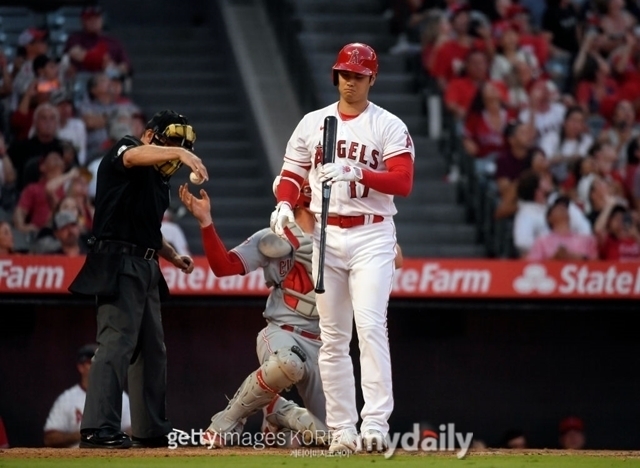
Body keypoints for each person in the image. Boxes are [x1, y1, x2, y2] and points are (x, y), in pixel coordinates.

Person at [270, 42, 414, 454]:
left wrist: (359, 171)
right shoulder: (313, 123)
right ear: (336, 76)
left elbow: (403, 181)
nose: (350, 81)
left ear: (373, 77)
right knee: (332, 337)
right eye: (344, 74)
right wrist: (283, 202)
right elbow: (291, 174)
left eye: (358, 75)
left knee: (369, 327)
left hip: (372, 233)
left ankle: (375, 423)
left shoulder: (387, 124)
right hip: (326, 234)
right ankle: (342, 430)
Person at [67, 109, 208, 449]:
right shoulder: (127, 148)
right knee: (116, 342)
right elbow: (131, 156)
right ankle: (99, 427)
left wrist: (174, 256)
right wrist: (179, 152)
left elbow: (149, 231)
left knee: (152, 350)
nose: (176, 149)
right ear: (150, 135)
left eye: (181, 143)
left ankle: (150, 430)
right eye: (171, 140)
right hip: (118, 259)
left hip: (146, 265)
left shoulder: (158, 183)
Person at [43, 344, 132, 448]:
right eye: (92, 363)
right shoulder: (67, 399)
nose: (98, 367)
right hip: (76, 459)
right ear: (81, 367)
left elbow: (132, 430)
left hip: (110, 458)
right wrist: (85, 436)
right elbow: (50, 438)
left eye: (101, 363)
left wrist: (108, 435)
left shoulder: (119, 396)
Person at [527, 196, 599, 260]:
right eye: (557, 209)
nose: (562, 209)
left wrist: (573, 257)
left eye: (564, 209)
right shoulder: (541, 242)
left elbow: (596, 265)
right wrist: (555, 258)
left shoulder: (587, 240)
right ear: (549, 218)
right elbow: (532, 266)